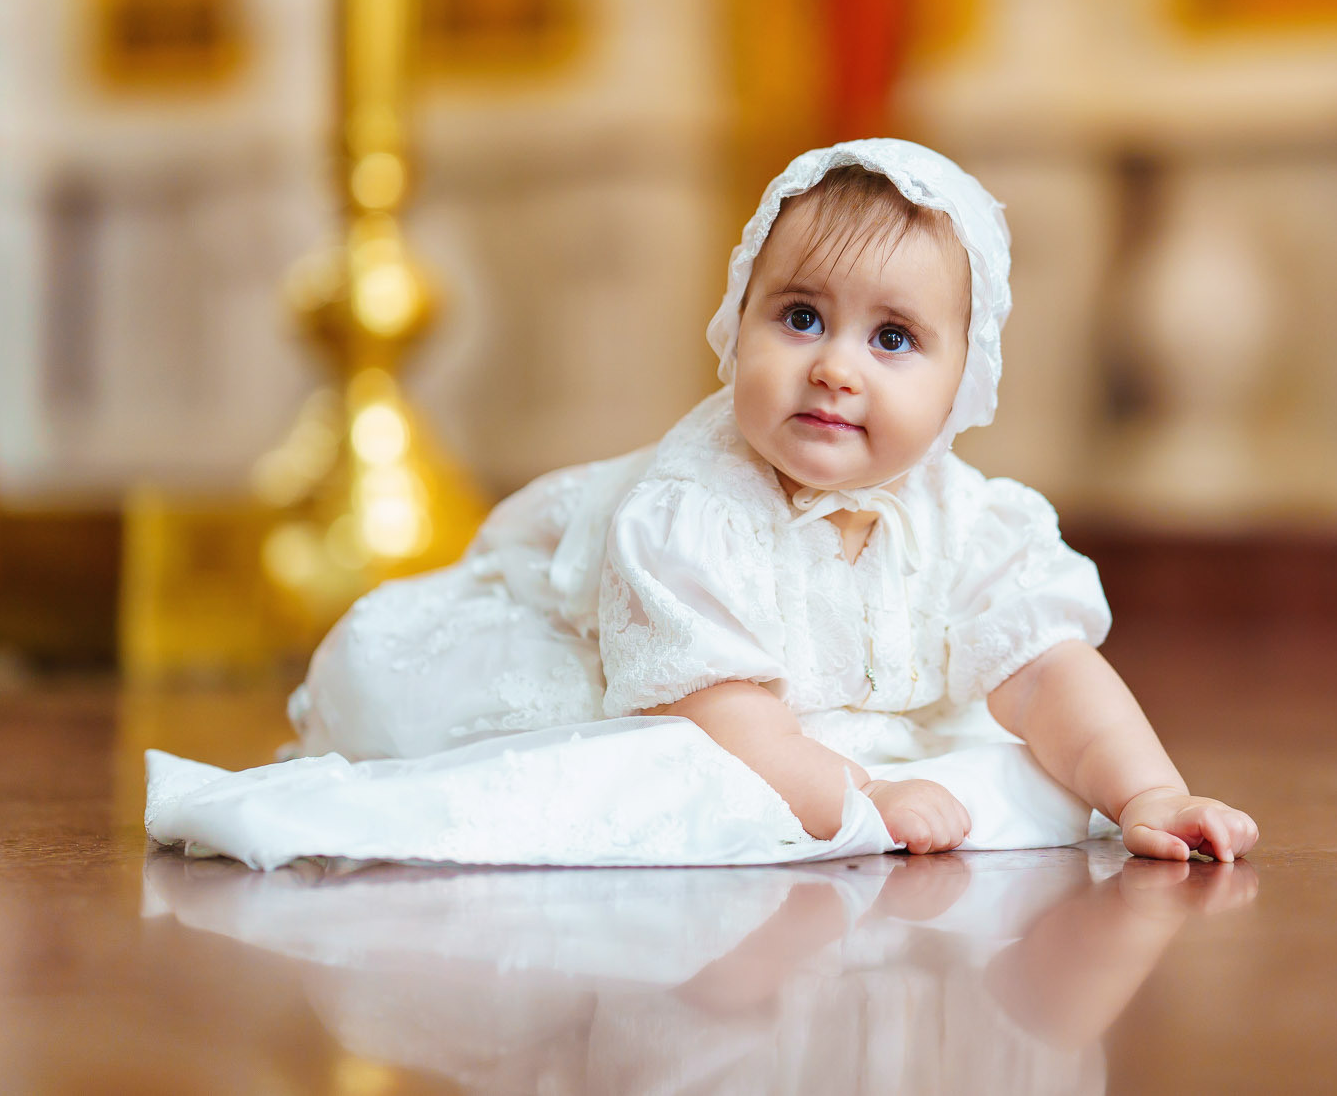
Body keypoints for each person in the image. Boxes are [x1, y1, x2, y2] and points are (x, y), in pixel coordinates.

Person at [145, 138, 1258, 871]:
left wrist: (1148, 792)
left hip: (759, 672)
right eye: (801, 317)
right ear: (738, 320)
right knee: (478, 716)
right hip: (583, 626)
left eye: (892, 338)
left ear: (964, 379)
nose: (835, 368)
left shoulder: (972, 519)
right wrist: (857, 790)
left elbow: (1049, 667)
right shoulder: (694, 504)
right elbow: (720, 704)